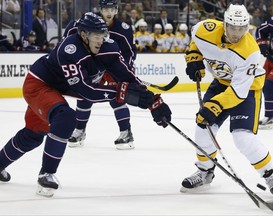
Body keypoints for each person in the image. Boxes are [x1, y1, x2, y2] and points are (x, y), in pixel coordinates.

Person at [0, 13, 171, 197]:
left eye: (103, 35)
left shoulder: (109, 48)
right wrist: (121, 93)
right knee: (65, 118)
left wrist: (153, 101)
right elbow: (86, 92)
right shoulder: (69, 50)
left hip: (57, 91)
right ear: (83, 35)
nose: (101, 40)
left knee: (32, 134)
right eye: (96, 36)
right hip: (39, 84)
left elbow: (129, 78)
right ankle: (46, 174)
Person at [181, 4, 273, 196]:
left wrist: (214, 106)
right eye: (233, 28)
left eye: (242, 28)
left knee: (242, 137)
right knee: (203, 127)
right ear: (225, 24)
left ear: (247, 27)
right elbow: (195, 40)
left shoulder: (250, 51)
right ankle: (205, 172)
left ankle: (270, 174)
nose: (237, 33)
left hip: (246, 90)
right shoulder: (206, 28)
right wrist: (193, 56)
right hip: (220, 83)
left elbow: (238, 92)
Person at [68, 0, 138, 150]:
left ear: (116, 10)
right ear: (100, 9)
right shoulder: (89, 23)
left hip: (113, 66)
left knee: (118, 97)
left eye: (111, 9)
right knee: (84, 96)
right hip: (94, 65)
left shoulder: (123, 29)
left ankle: (126, 132)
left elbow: (129, 51)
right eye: (105, 8)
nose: (108, 12)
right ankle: (80, 130)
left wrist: (125, 68)